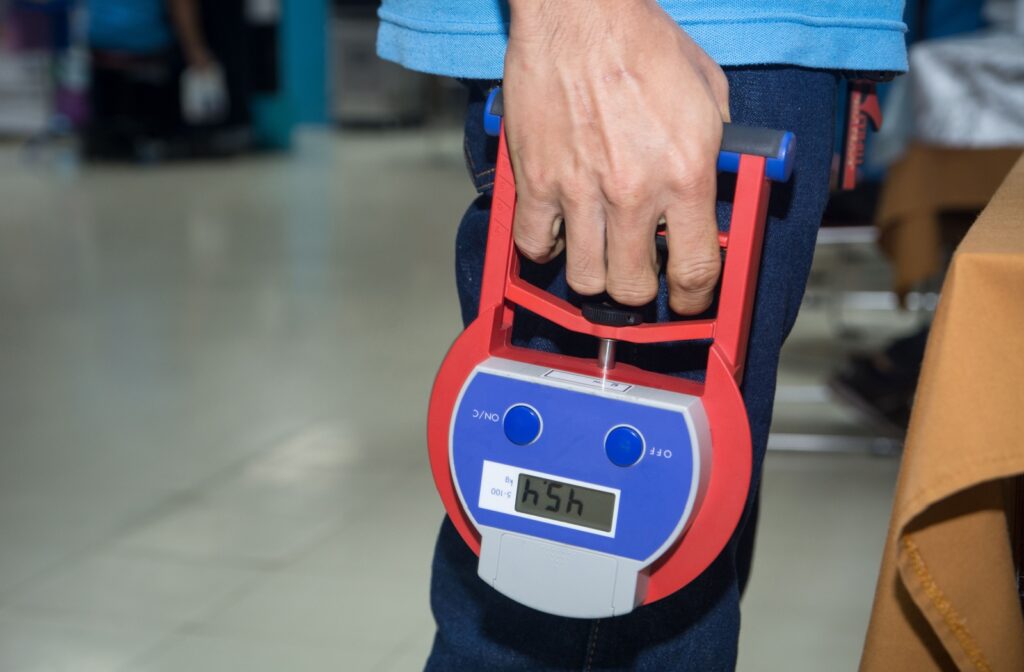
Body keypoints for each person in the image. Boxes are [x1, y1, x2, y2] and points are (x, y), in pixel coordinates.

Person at [377, 2, 908, 669]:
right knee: (589, 610)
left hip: (707, 53)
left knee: (675, 560)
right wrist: (581, 25)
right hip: (650, 57)